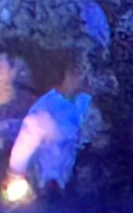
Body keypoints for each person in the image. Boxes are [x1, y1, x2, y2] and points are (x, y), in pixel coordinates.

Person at [6, 53, 95, 199]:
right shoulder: (44, 110)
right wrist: (15, 173)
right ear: (70, 74)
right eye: (82, 71)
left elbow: (94, 134)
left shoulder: (85, 103)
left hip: (78, 186)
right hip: (45, 187)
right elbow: (23, 149)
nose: (86, 77)